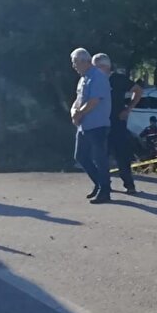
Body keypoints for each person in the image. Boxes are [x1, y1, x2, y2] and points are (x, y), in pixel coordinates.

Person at [69, 47, 112, 204]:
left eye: (75, 62)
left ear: (83, 61)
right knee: (80, 156)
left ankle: (105, 191)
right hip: (84, 125)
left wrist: (79, 113)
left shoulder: (98, 76)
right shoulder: (83, 78)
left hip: (97, 124)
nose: (73, 66)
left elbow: (94, 101)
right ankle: (99, 184)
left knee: (99, 158)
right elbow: (78, 99)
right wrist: (73, 112)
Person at [92, 54, 136, 193]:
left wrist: (128, 109)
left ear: (104, 66)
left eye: (96, 67)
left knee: (121, 154)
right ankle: (104, 184)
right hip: (100, 122)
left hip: (117, 122)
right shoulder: (94, 80)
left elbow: (138, 91)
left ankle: (129, 184)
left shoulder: (118, 79)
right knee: (101, 155)